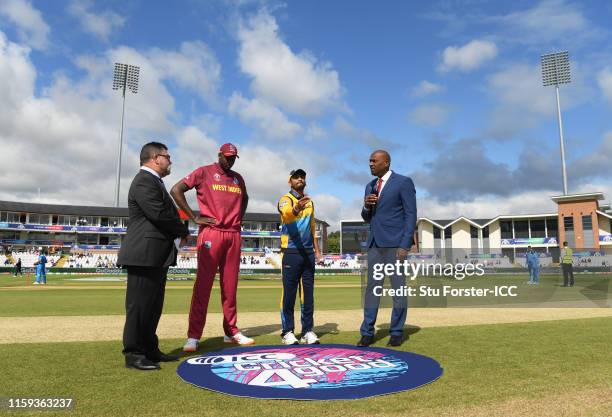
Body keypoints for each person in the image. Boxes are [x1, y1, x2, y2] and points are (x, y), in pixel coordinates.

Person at [171, 142, 254, 352]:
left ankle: (231, 331)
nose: (230, 160)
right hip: (212, 233)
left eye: (233, 157)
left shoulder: (238, 178)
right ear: (219, 155)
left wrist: (239, 219)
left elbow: (245, 198)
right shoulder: (204, 172)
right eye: (227, 157)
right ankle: (193, 336)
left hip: (233, 234)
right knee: (203, 286)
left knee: (230, 287)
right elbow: (176, 190)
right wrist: (194, 217)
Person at [117, 142, 189, 371]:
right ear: (156, 158)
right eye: (168, 157)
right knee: (139, 307)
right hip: (143, 254)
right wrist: (182, 230)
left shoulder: (154, 182)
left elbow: (163, 212)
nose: (170, 161)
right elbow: (157, 213)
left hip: (156, 254)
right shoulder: (143, 181)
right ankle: (134, 353)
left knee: (153, 306)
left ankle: (149, 348)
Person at [358, 150, 417, 347]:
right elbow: (367, 217)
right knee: (372, 290)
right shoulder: (370, 186)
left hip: (395, 246)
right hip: (375, 245)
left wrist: (405, 245)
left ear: (386, 162)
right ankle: (367, 332)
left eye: (374, 161)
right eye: (369, 161)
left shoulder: (403, 182)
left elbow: (411, 215)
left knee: (398, 289)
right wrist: (366, 206)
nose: (370, 164)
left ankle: (397, 331)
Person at [277, 169, 322, 345]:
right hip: (290, 252)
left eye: (302, 177)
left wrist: (317, 251)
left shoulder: (310, 202)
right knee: (289, 294)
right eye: (296, 177)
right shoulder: (285, 200)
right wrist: (296, 208)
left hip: (309, 253)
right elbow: (287, 214)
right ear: (290, 181)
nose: (300, 179)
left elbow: (312, 228)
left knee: (308, 295)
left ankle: (307, 331)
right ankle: (287, 332)